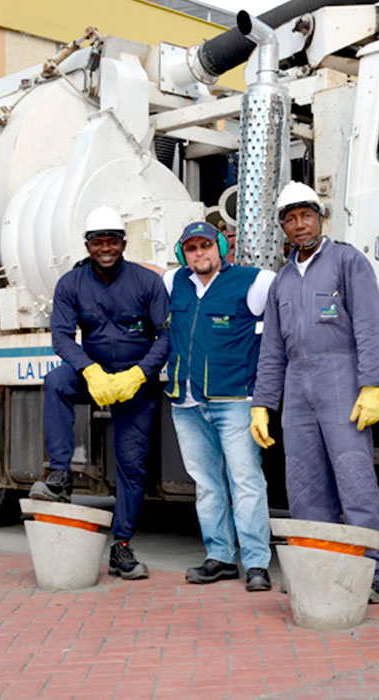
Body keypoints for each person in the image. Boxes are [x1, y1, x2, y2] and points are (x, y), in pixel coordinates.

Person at [249, 181, 379, 604]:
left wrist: (372, 384)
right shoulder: (281, 282)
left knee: (355, 481)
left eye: (307, 216)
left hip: (341, 380)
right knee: (304, 485)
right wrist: (262, 404)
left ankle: (377, 570)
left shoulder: (348, 262)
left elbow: (370, 326)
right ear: (283, 226)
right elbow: (272, 350)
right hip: (297, 387)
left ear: (321, 218)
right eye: (291, 219)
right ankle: (318, 567)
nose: (300, 225)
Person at [29, 205, 170, 580]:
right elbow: (61, 336)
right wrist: (88, 370)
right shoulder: (70, 284)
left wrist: (139, 374)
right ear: (87, 245)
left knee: (132, 466)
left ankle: (121, 547)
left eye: (112, 241)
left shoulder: (147, 282)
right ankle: (60, 475)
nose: (105, 248)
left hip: (135, 383)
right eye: (98, 241)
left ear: (123, 243)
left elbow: (166, 336)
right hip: (95, 376)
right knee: (56, 382)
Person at [164, 220, 275, 592]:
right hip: (186, 403)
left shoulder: (256, 281)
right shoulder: (174, 282)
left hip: (235, 401)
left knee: (246, 482)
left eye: (206, 246)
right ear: (183, 254)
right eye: (191, 248)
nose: (200, 253)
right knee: (207, 485)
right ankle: (221, 557)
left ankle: (257, 563)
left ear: (221, 247)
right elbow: (140, 274)